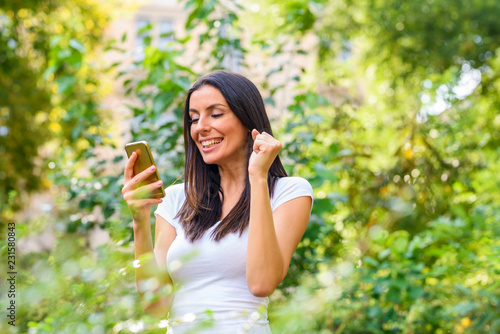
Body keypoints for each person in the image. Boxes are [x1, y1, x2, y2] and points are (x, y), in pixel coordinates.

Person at [122, 70, 313, 333]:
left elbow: (262, 283)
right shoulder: (178, 199)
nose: (200, 127)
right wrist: (139, 222)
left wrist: (257, 177)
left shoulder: (289, 193)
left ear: (248, 120)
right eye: (194, 118)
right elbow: (156, 306)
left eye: (216, 114)